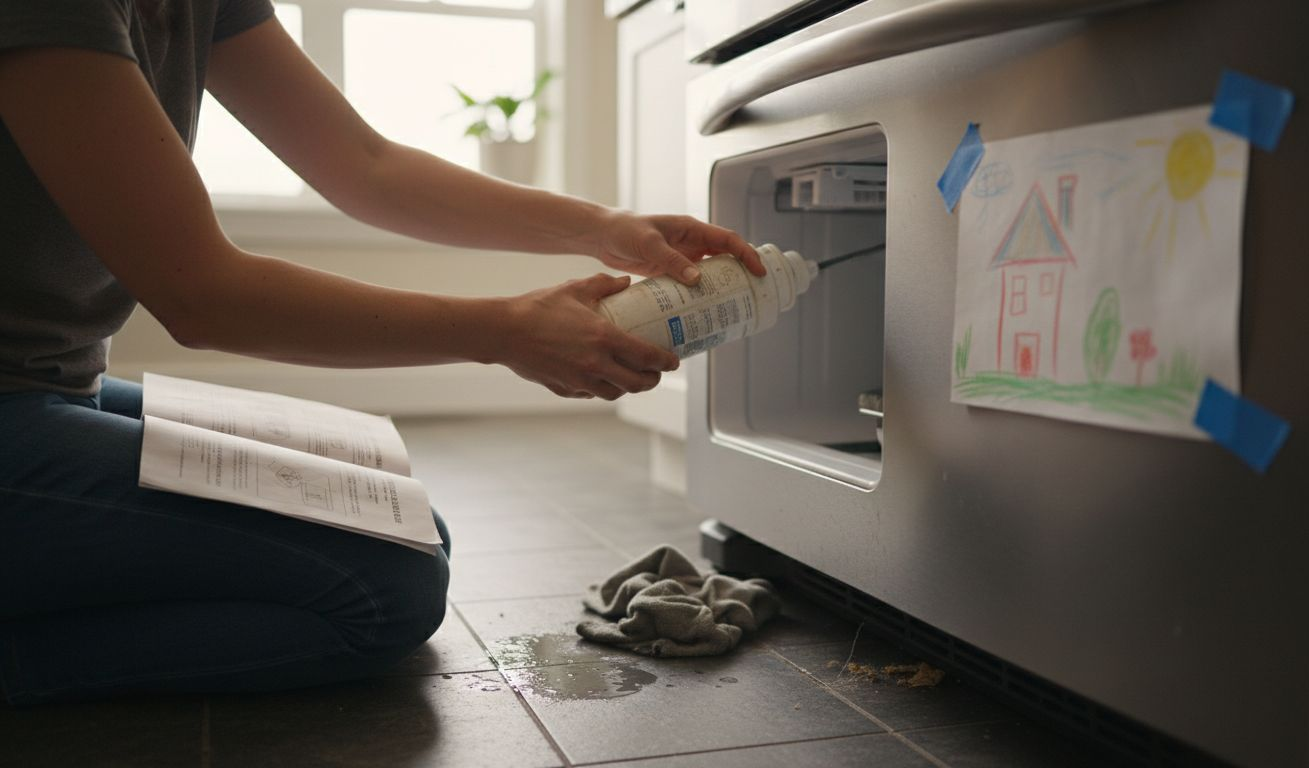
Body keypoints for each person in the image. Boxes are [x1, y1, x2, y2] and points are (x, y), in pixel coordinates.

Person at [0, 0, 763, 706]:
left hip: (58, 385)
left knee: (397, 512)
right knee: (389, 588)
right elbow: (201, 294)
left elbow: (365, 163)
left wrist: (606, 227)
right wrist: (503, 331)